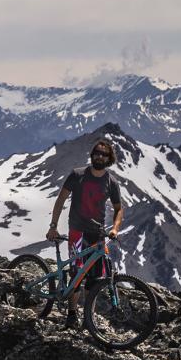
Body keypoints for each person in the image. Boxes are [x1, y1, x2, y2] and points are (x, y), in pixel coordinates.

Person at [46, 138, 125, 324]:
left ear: (109, 158)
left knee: (95, 279)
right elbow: (60, 200)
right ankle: (72, 315)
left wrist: (114, 228)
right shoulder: (77, 174)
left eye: (104, 154)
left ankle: (87, 317)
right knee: (77, 273)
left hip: (97, 234)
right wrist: (53, 226)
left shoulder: (111, 183)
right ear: (91, 155)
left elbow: (118, 208)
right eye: (96, 152)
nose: (99, 156)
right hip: (77, 232)